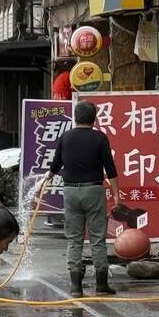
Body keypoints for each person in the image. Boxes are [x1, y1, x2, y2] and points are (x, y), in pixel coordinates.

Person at [46, 100, 120, 298]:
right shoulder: (100, 138)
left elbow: (55, 164)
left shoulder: (65, 137)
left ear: (75, 118)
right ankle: (101, 285)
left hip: (70, 192)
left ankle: (76, 287)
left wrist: (47, 178)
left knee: (74, 239)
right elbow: (110, 168)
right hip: (93, 191)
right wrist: (116, 194)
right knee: (97, 239)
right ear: (94, 119)